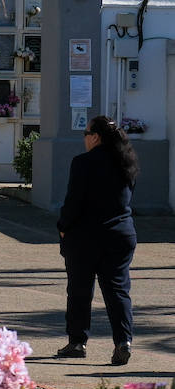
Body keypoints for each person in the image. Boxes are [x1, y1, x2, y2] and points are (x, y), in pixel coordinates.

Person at [57, 115, 138, 365]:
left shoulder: (83, 163)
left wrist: (63, 227)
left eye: (86, 133)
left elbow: (74, 201)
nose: (84, 139)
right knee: (117, 289)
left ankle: (77, 342)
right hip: (121, 234)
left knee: (80, 289)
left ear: (96, 137)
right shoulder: (127, 162)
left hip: (85, 236)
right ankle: (123, 341)